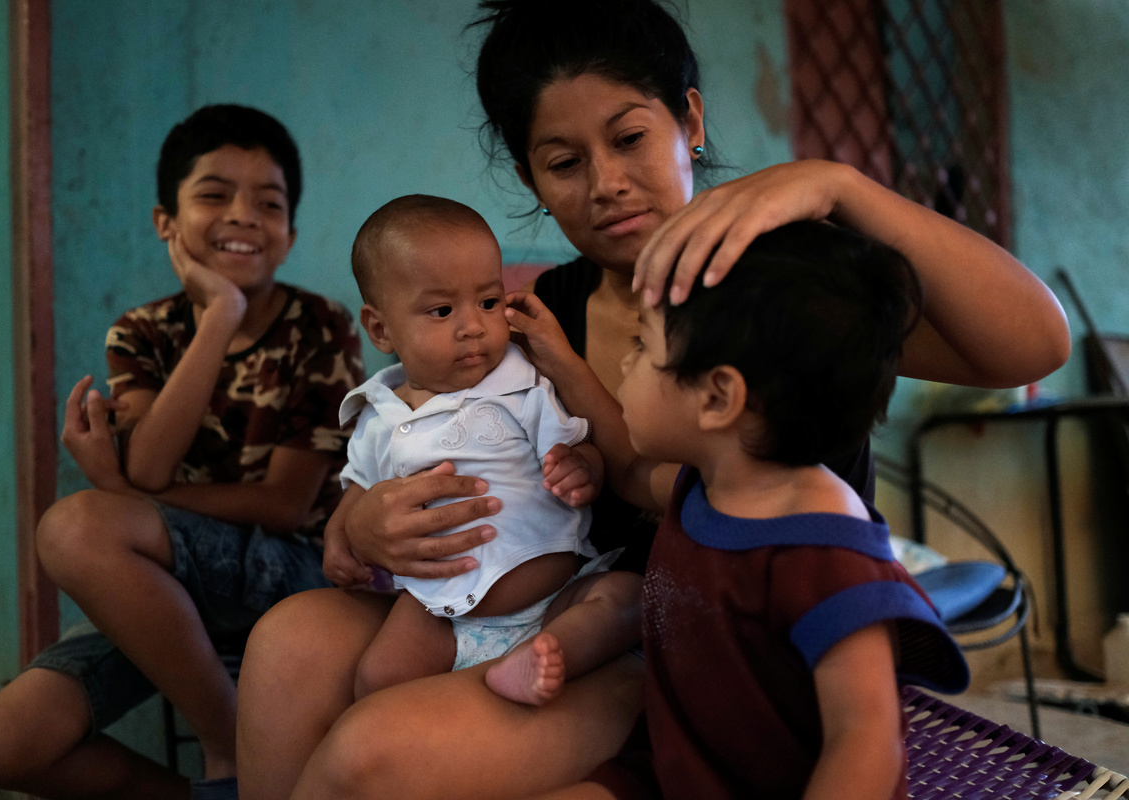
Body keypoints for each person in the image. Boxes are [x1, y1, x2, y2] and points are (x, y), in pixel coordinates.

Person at [235, 2, 1070, 798]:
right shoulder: (529, 317)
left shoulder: (779, 293)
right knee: (288, 646)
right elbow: (430, 432)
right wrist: (362, 522)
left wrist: (834, 185)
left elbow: (1035, 345)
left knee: (370, 757)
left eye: (630, 137)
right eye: (564, 163)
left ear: (690, 121)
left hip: (687, 648)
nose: (607, 183)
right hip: (539, 605)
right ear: (530, 175)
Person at [0, 104, 364, 800]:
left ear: (290, 235)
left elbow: (282, 503)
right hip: (177, 589)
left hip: (296, 571)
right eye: (214, 194)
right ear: (165, 223)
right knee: (4, 743)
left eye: (267, 203)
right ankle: (220, 771)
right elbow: (152, 464)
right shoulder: (143, 332)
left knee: (77, 527)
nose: (242, 216)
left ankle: (227, 748)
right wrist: (220, 318)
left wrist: (125, 496)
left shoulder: (319, 325)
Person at [515, 219, 970, 798]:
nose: (625, 365)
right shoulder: (707, 485)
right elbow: (628, 469)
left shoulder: (827, 555)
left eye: (642, 346)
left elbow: (868, 740)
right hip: (670, 773)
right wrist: (561, 361)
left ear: (718, 397)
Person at [336, 194, 640, 706]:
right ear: (381, 329)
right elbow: (360, 486)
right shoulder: (379, 411)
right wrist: (339, 534)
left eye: (489, 303)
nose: (473, 326)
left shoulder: (523, 385)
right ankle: (432, 721)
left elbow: (578, 447)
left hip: (553, 594)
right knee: (377, 677)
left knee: (625, 597)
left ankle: (543, 655)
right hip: (439, 607)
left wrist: (582, 469)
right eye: (442, 310)